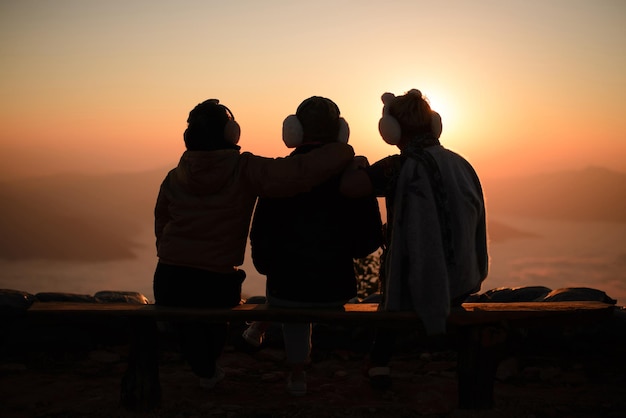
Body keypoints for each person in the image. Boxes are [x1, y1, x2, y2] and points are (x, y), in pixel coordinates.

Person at [152, 98, 355, 391]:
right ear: (231, 133)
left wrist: (173, 255)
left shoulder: (175, 175)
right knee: (214, 321)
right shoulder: (243, 168)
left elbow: (162, 223)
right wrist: (342, 149)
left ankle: (205, 370)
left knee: (190, 328)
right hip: (216, 283)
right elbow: (297, 173)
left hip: (168, 278)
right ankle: (208, 368)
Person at [340, 89, 489, 389]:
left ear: (391, 129)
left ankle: (380, 363)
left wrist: (357, 164)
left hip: (412, 288)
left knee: (396, 274)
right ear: (434, 124)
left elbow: (350, 189)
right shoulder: (462, 164)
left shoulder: (397, 167)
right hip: (461, 282)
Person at [247, 96, 383, 396]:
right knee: (296, 293)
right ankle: (265, 329)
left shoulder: (279, 175)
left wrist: (275, 267)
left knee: (286, 295)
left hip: (286, 291)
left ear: (293, 132)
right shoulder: (353, 174)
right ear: (341, 132)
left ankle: (296, 375)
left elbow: (262, 241)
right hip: (336, 289)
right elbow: (368, 241)